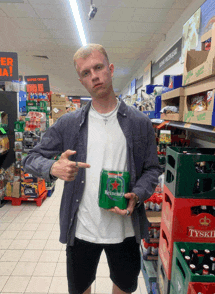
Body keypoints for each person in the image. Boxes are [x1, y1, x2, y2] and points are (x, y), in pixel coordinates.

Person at [23, 44, 161, 294]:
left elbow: (152, 169)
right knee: (79, 288)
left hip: (125, 229)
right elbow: (31, 158)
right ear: (81, 80)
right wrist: (53, 167)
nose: (94, 76)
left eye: (98, 67)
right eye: (86, 73)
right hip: (82, 228)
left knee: (124, 287)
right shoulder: (69, 123)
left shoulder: (140, 124)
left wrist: (138, 194)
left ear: (110, 69)